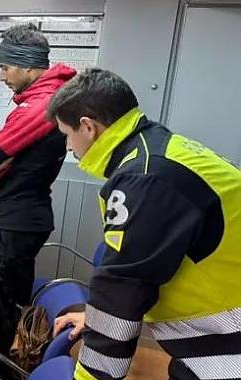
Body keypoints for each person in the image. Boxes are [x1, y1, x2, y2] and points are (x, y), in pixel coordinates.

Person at [49, 68, 241, 380]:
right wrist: (97, 320)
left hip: (228, 346)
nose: (68, 148)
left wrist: (87, 376)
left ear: (87, 127)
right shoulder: (159, 150)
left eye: (66, 135)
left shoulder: (144, 178)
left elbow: (122, 285)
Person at [0, 23, 76, 306]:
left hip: (18, 217)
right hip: (23, 213)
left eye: (5, 67)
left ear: (27, 67)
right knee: (11, 294)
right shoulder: (51, 97)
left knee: (1, 301)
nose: (1, 77)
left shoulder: (40, 107)